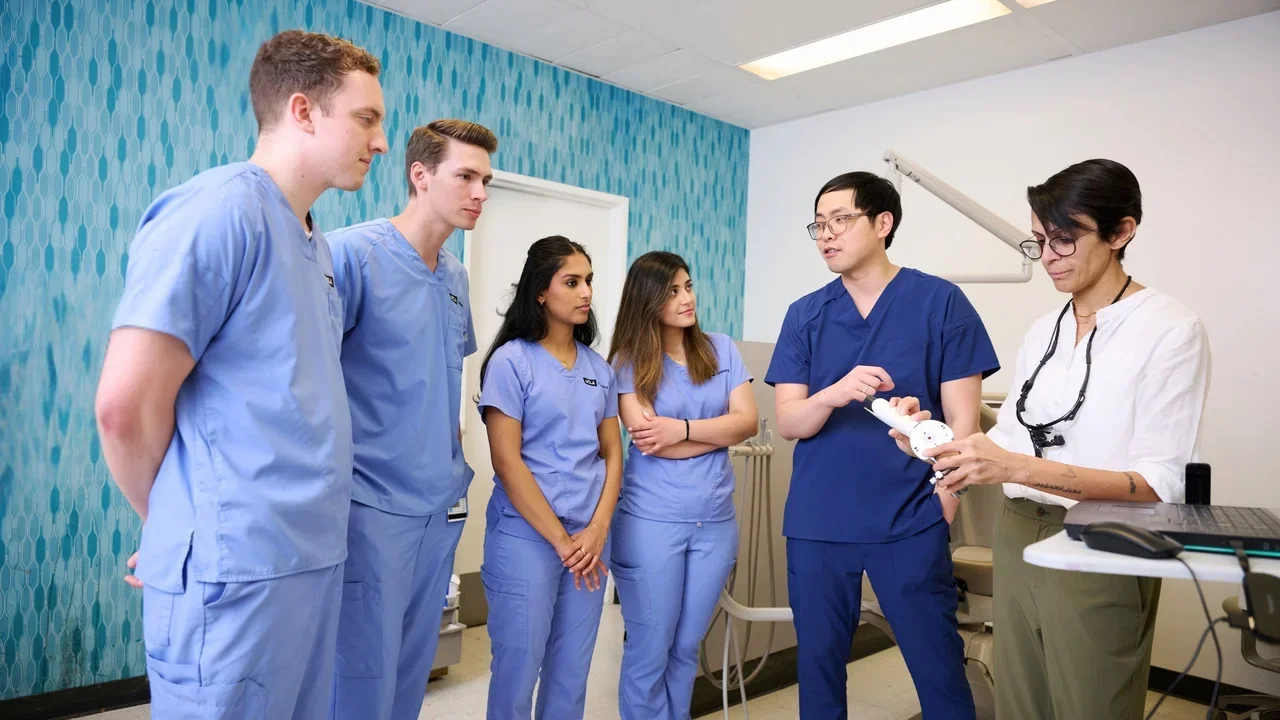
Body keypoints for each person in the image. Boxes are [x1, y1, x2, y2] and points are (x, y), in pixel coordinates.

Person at [93, 30, 386, 718]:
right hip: (238, 572)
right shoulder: (220, 209)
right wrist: (174, 522)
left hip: (306, 560)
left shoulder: (312, 240)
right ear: (303, 110)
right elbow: (124, 406)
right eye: (367, 119)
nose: (379, 143)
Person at [905, 158, 1212, 720]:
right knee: (1023, 701)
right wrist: (934, 438)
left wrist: (1016, 470)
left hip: (1107, 537)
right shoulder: (1043, 330)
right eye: (1038, 241)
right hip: (1018, 532)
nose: (1047, 257)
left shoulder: (1169, 329)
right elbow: (1012, 442)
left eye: (1064, 240)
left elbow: (1158, 484)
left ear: (1121, 232)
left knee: (1091, 702)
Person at [764, 171, 999, 719]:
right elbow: (791, 422)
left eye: (840, 220)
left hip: (910, 515)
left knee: (938, 667)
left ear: (882, 223)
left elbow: (965, 424)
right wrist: (834, 393)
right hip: (819, 521)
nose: (826, 234)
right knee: (819, 670)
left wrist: (946, 499)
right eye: (818, 225)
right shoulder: (806, 314)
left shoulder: (940, 303)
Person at [326, 120, 497, 720]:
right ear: (419, 175)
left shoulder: (454, 277)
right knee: (359, 677)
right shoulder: (350, 255)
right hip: (368, 507)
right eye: (466, 176)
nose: (480, 192)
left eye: (487, 180)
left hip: (436, 505)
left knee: (409, 676)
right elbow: (310, 381)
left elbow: (441, 377)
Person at [476, 235, 624, 719]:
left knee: (570, 673)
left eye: (589, 282)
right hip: (528, 537)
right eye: (572, 281)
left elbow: (612, 455)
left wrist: (596, 531)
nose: (586, 293)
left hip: (587, 542)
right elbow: (507, 462)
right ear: (541, 291)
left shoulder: (599, 370)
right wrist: (562, 541)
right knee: (518, 670)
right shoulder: (512, 362)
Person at [607, 251, 759, 720]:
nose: (687, 298)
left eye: (688, 286)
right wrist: (715, 434)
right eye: (673, 290)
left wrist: (685, 430)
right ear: (647, 299)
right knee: (651, 647)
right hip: (651, 523)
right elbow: (652, 443)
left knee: (686, 646)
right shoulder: (628, 362)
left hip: (715, 523)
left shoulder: (721, 348)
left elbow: (748, 422)